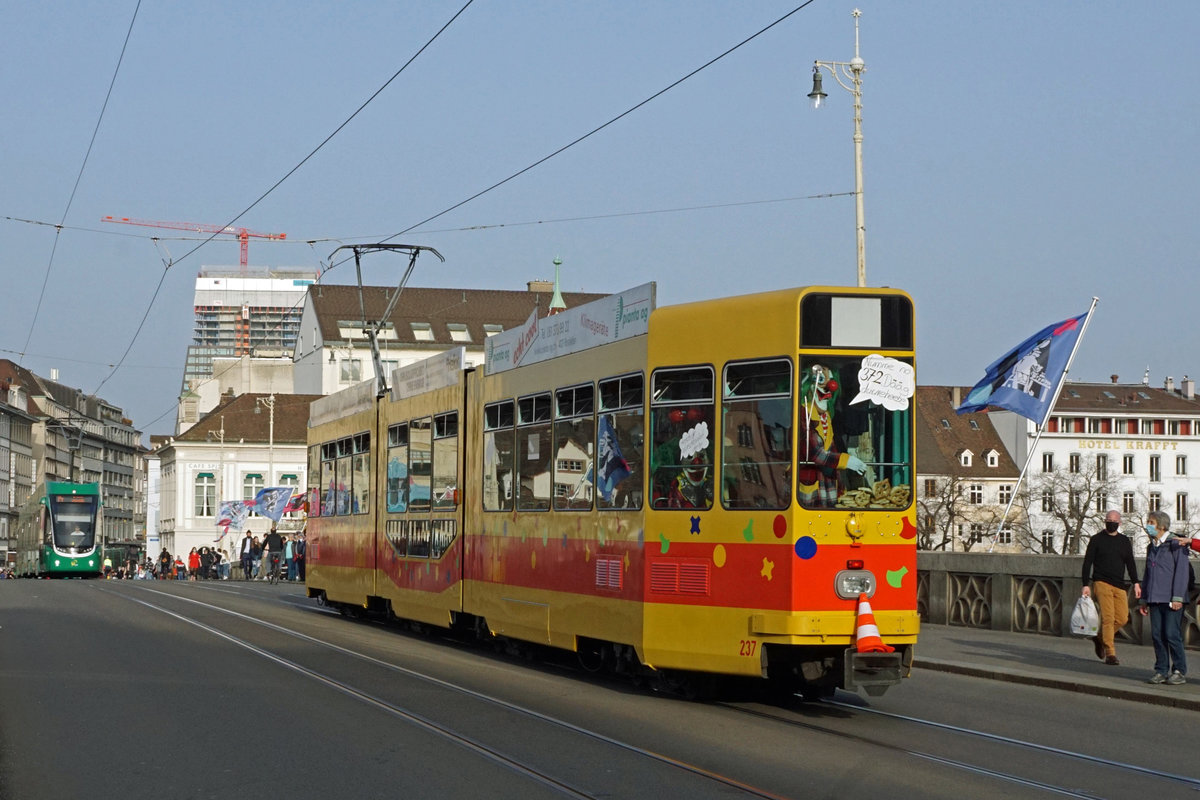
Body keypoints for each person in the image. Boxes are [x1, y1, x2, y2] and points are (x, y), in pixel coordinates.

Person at [1080, 509, 1140, 665]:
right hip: (1101, 582)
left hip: (1119, 584)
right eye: (1109, 520)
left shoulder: (1124, 541)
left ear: (1119, 523)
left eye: (1114, 521)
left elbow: (1130, 563)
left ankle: (1099, 638)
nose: (1111, 523)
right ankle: (1110, 653)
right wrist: (1085, 584)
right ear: (1105, 521)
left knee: (1122, 618)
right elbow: (1087, 562)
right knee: (1108, 618)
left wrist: (1136, 583)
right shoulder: (1096, 540)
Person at [1137, 510, 1189, 685]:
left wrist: (1177, 597)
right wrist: (1144, 598)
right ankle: (1161, 669)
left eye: (1151, 522)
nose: (1148, 525)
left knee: (1172, 634)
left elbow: (1181, 573)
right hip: (1154, 597)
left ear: (1162, 525)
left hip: (1171, 598)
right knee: (1157, 635)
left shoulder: (1176, 543)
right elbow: (1147, 574)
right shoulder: (1152, 546)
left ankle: (1179, 670)